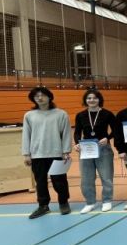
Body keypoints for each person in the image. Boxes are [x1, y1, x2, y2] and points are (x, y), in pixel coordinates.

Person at [22, 86, 72, 218]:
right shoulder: (29, 115)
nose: (39, 98)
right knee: (40, 182)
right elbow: (26, 135)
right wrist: (26, 154)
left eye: (42, 95)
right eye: (36, 96)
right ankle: (43, 206)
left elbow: (66, 133)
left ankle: (63, 202)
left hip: (56, 153)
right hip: (37, 154)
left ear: (49, 97)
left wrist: (66, 151)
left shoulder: (61, 114)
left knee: (59, 181)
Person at [74, 89, 116, 214]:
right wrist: (76, 143)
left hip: (103, 148)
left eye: (94, 98)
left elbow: (116, 130)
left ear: (99, 100)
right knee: (86, 178)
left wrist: (107, 138)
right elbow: (77, 132)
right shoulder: (80, 115)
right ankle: (90, 202)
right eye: (89, 98)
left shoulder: (107, 114)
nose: (91, 100)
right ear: (85, 100)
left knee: (106, 177)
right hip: (86, 149)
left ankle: (107, 200)